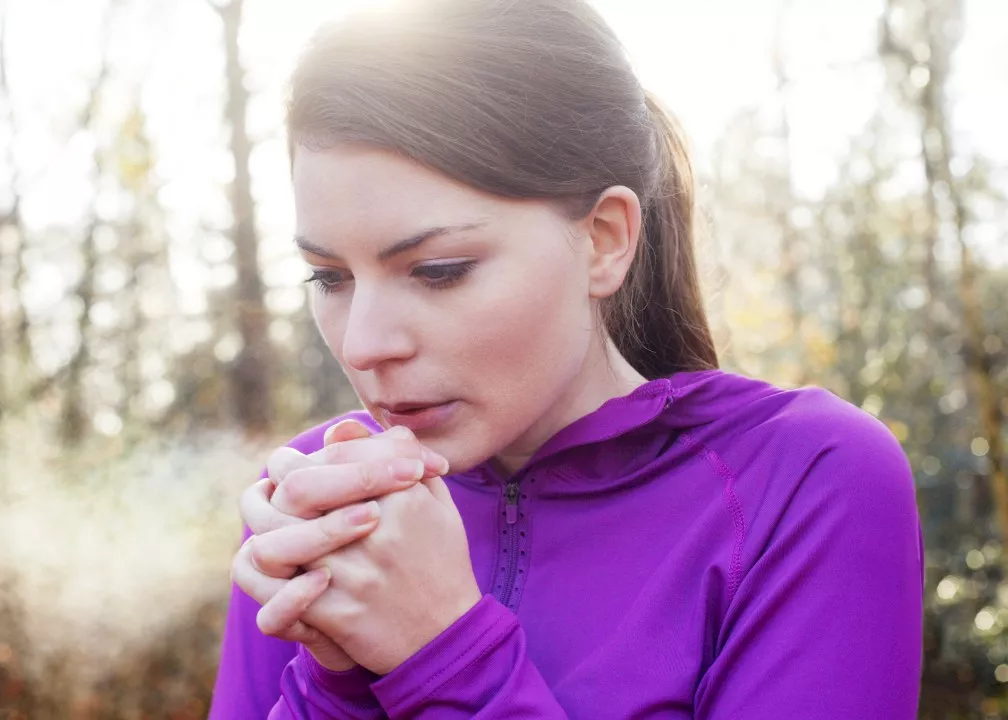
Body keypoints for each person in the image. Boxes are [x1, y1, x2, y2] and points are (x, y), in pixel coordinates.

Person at [209, 0, 924, 717]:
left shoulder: (804, 480)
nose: (363, 344)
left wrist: (442, 655)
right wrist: (336, 682)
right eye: (329, 278)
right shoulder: (315, 508)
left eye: (439, 270)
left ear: (605, 238)